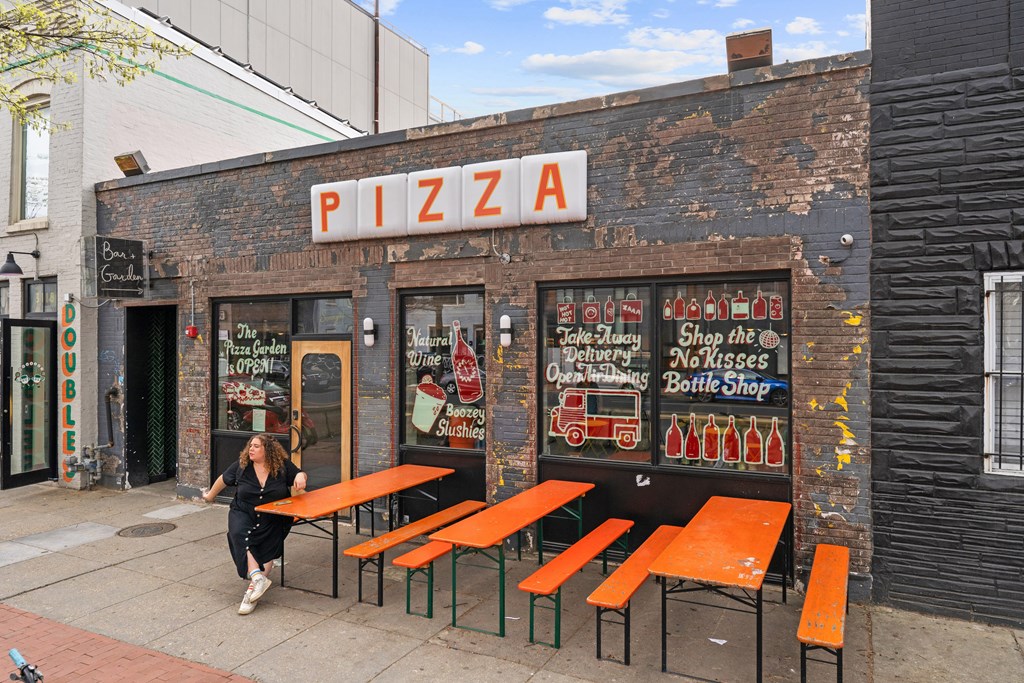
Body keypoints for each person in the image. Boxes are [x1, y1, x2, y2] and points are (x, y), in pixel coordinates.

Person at [202, 433, 307, 615]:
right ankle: (257, 579)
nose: (251, 449)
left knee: (267, 544)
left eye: (256, 446)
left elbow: (299, 472)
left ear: (268, 450)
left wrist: (300, 476)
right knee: (239, 534)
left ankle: (253, 589)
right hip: (243, 511)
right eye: (250, 445)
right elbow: (223, 479)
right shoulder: (242, 467)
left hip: (273, 515)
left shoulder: (281, 467)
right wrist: (210, 496)